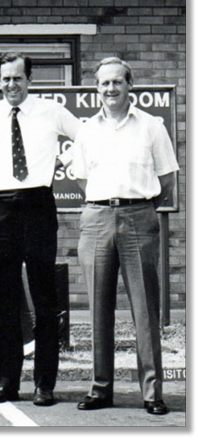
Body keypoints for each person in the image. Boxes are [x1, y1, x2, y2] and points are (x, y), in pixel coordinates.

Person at [0, 52, 82, 406]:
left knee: (44, 299)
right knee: (7, 300)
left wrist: (63, 160)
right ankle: (6, 382)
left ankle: (44, 385)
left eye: (17, 78)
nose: (11, 85)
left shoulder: (50, 111)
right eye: (5, 79)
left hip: (38, 205)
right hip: (1, 206)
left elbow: (86, 136)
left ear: (30, 79)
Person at [72, 57, 178, 416]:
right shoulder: (87, 130)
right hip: (97, 218)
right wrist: (107, 203)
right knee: (98, 308)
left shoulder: (151, 126)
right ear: (96, 88)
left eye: (118, 81)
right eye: (104, 83)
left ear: (130, 85)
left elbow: (166, 180)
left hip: (138, 218)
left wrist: (138, 207)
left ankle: (152, 392)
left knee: (145, 308)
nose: (111, 88)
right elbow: (82, 178)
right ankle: (100, 389)